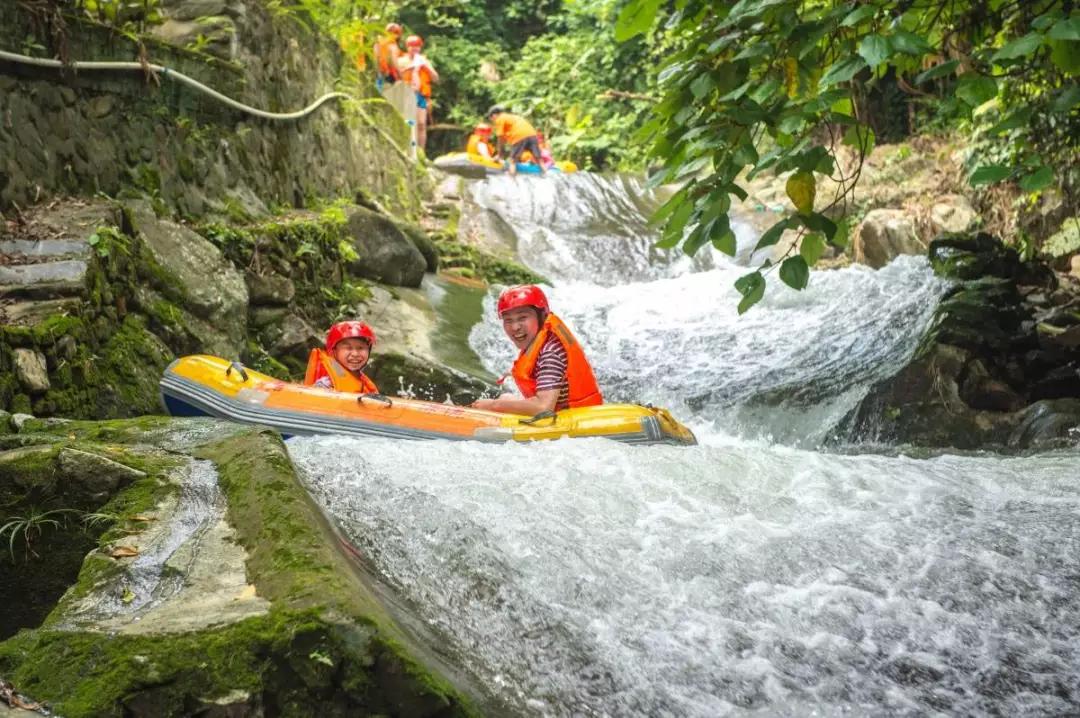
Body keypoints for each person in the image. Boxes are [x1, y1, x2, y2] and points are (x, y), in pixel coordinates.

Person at [472, 285, 602, 415]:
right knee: (505, 397)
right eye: (508, 320)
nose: (515, 327)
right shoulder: (539, 344)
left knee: (500, 403)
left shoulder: (551, 352)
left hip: (577, 421)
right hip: (562, 414)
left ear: (542, 316)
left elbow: (543, 408)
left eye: (522, 318)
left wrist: (494, 405)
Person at [304, 320, 379, 393]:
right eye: (348, 348)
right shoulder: (326, 384)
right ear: (334, 351)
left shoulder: (365, 386)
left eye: (361, 348)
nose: (355, 354)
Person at [401, 35, 439, 151]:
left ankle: (421, 151)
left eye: (417, 47)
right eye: (412, 47)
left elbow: (435, 78)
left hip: (421, 95)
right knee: (410, 122)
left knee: (422, 124)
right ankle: (409, 148)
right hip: (407, 93)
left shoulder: (424, 61)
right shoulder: (402, 60)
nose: (415, 49)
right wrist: (413, 67)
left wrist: (425, 66)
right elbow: (398, 74)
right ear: (407, 47)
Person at [488, 105, 546, 177]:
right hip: (532, 134)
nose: (493, 121)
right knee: (539, 159)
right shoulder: (513, 117)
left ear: (494, 115)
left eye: (492, 119)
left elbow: (500, 139)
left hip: (519, 136)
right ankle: (547, 175)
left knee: (513, 161)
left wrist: (499, 155)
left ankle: (512, 181)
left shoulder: (500, 119)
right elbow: (505, 139)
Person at [373, 23, 402, 92]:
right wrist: (401, 76)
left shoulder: (378, 43)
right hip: (391, 75)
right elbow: (394, 62)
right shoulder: (392, 45)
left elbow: (376, 59)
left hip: (380, 74)